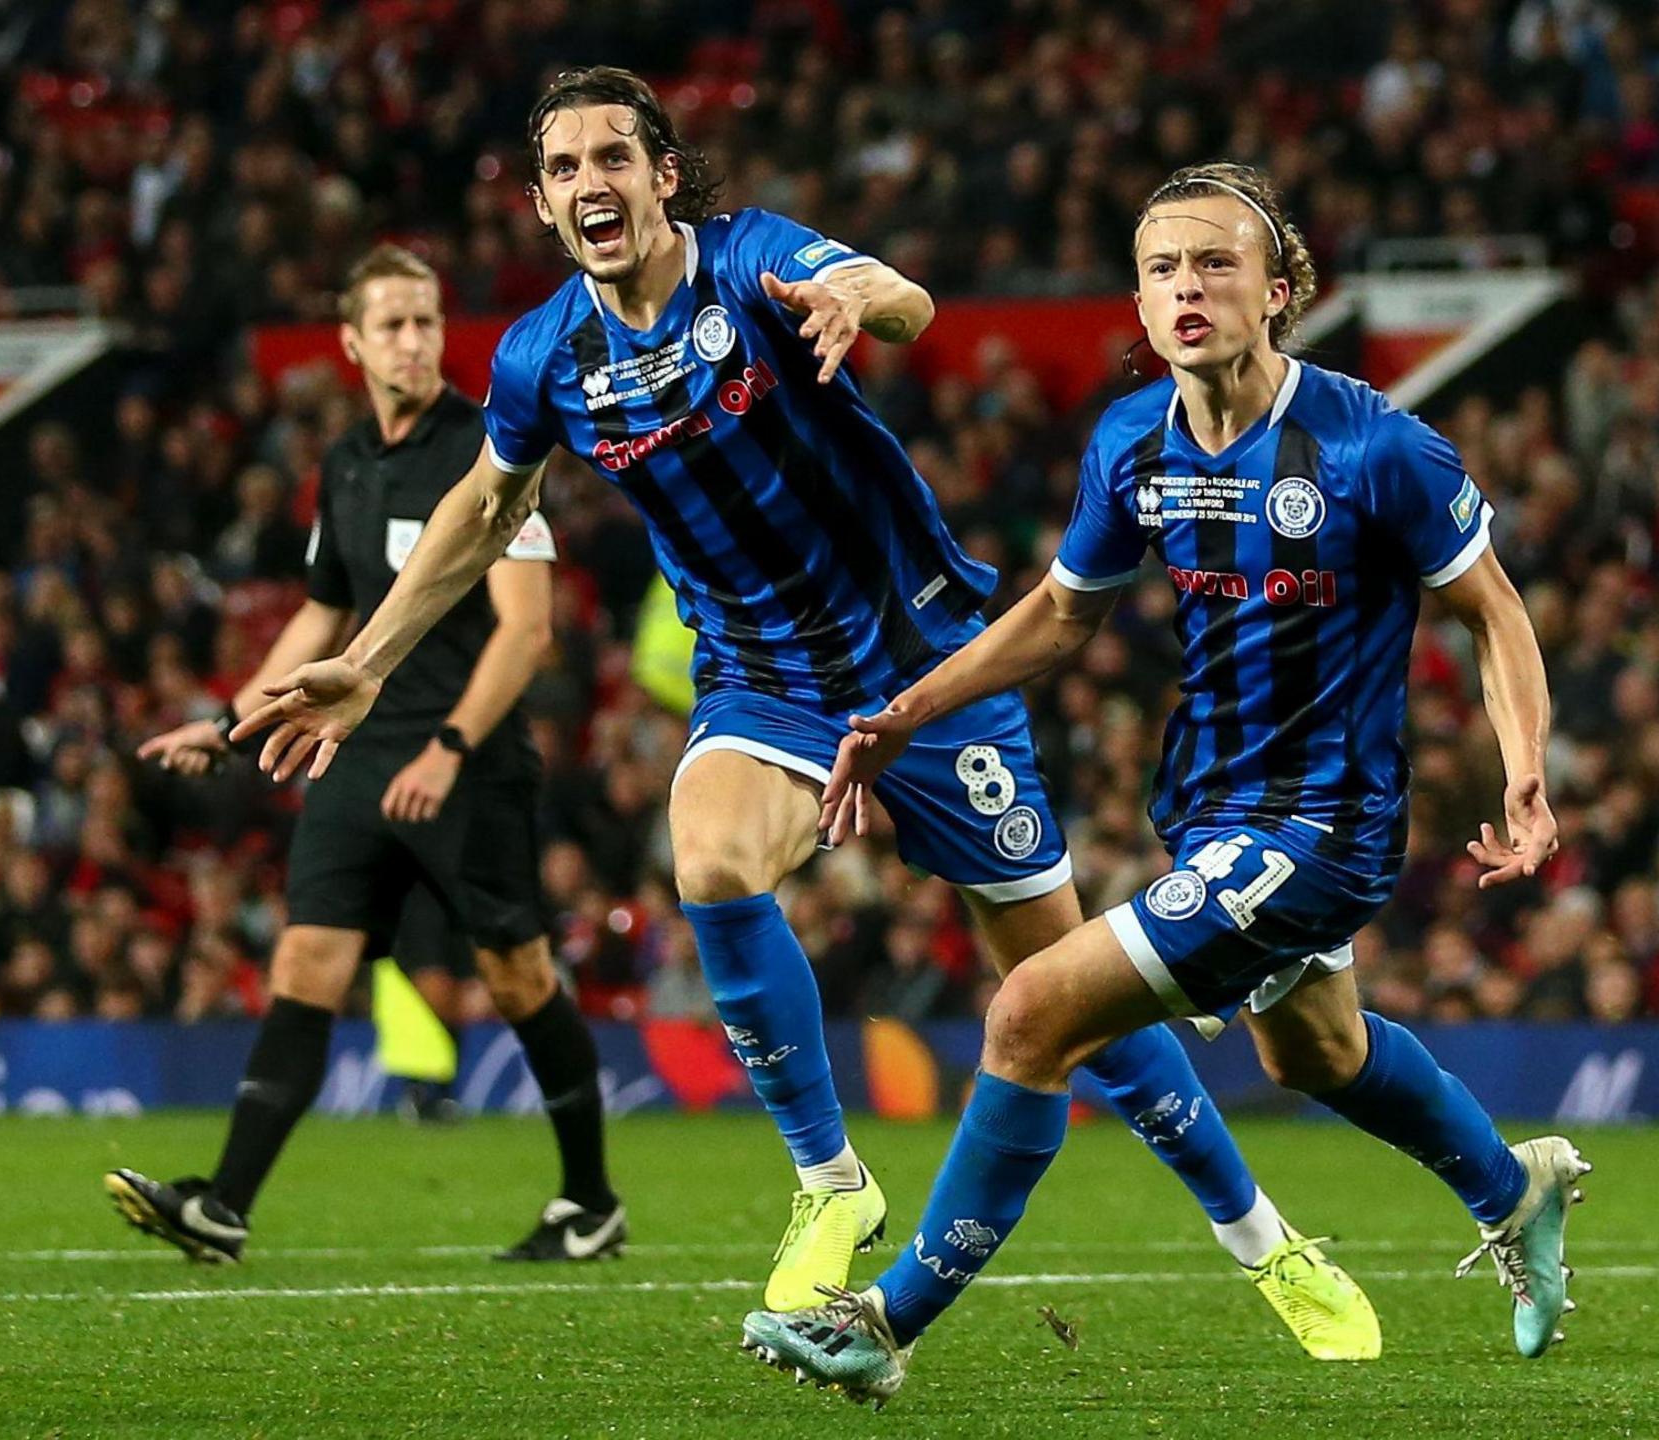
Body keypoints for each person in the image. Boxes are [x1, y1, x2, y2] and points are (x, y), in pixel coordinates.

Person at [231, 69, 1361, 1351]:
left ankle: (1264, 1241)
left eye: (614, 156)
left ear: (663, 175)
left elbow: (904, 299)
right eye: (564, 167)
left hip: (924, 667)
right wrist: (371, 661)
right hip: (763, 679)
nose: (591, 181)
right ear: (543, 204)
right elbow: (486, 507)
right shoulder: (543, 356)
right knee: (709, 859)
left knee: (1063, 995)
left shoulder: (748, 260)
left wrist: (855, 298)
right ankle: (831, 1181)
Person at [736, 162, 1591, 1406]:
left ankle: (883, 1322)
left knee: (1030, 1011)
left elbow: (1493, 613)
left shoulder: (1373, 445)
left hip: (1320, 827)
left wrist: (1525, 773)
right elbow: (1058, 615)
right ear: (1138, 303)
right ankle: (1514, 1189)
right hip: (1210, 811)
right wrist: (901, 715)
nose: (1187, 287)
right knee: (1318, 1055)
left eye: (1215, 263)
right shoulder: (1132, 442)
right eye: (1161, 269)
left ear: (1279, 290)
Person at [105, 246, 624, 1265]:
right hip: (352, 750)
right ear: (351, 343)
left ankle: (590, 1201)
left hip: (464, 758)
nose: (413, 340)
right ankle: (224, 1206)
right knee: (306, 961)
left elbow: (525, 630)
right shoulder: (344, 461)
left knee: (517, 976)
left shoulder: (490, 448)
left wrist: (449, 748)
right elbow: (320, 618)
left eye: (426, 320)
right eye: (391, 323)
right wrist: (229, 723)